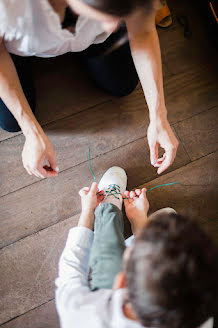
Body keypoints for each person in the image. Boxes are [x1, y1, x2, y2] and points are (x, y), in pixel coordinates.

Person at [0, 0, 178, 179]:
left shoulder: (115, 20)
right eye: (111, 15)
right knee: (12, 123)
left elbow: (143, 31)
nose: (113, 27)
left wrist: (158, 116)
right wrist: (31, 131)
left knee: (122, 84)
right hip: (15, 49)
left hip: (89, 39)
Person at [55, 167, 218, 328]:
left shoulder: (80, 314)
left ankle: (107, 207)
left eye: (132, 252)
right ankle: (149, 240)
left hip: (106, 292)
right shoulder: (200, 312)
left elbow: (71, 270)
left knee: (109, 248)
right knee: (168, 217)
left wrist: (88, 211)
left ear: (121, 281)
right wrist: (139, 221)